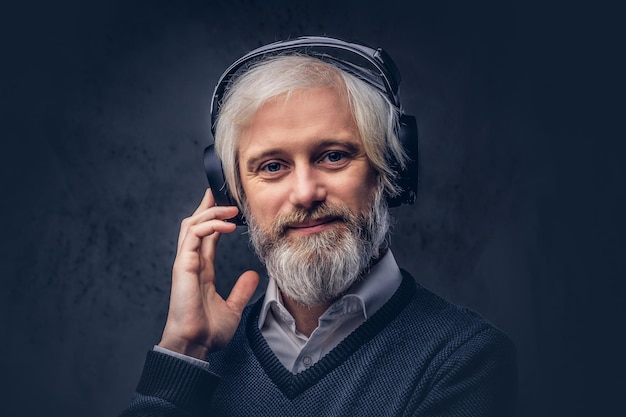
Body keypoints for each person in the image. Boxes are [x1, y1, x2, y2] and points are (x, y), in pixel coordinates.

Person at [121, 36, 517, 416]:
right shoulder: (199, 357)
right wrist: (183, 352)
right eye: (272, 166)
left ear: (389, 170)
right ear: (234, 195)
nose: (305, 193)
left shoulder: (464, 359)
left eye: (333, 156)